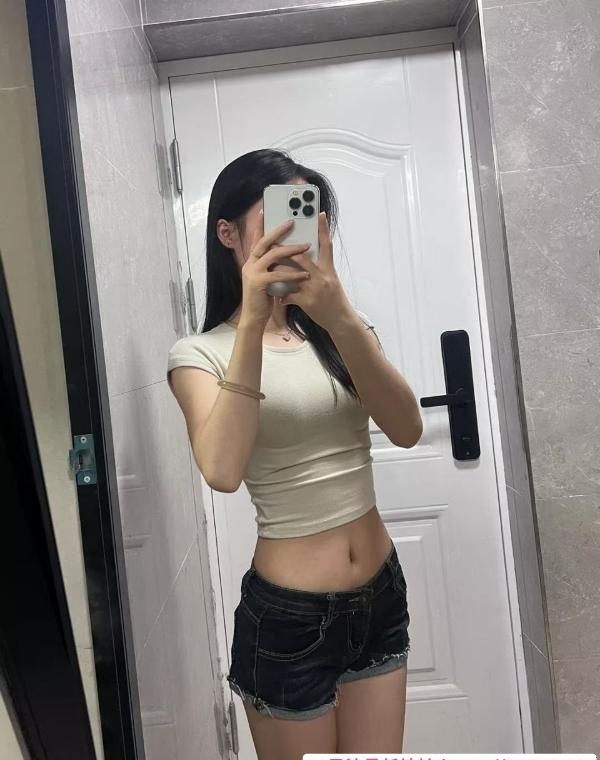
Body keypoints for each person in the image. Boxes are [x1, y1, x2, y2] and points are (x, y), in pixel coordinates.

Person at [167, 149, 423, 759]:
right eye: (274, 219)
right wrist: (254, 320)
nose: (291, 235)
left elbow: (407, 429)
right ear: (227, 233)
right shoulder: (199, 355)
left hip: (380, 595)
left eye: (305, 218)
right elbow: (222, 471)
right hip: (289, 618)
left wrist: (339, 316)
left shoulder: (341, 332)